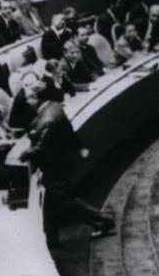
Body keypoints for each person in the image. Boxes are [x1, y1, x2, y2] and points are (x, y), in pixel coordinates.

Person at [19, 83, 116, 244]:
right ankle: (51, 239)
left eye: (28, 98)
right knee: (50, 204)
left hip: (54, 168)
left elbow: (40, 147)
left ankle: (104, 221)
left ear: (36, 98)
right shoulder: (55, 107)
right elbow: (69, 131)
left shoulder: (47, 119)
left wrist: (24, 154)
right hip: (61, 163)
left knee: (66, 202)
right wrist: (78, 146)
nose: (26, 101)